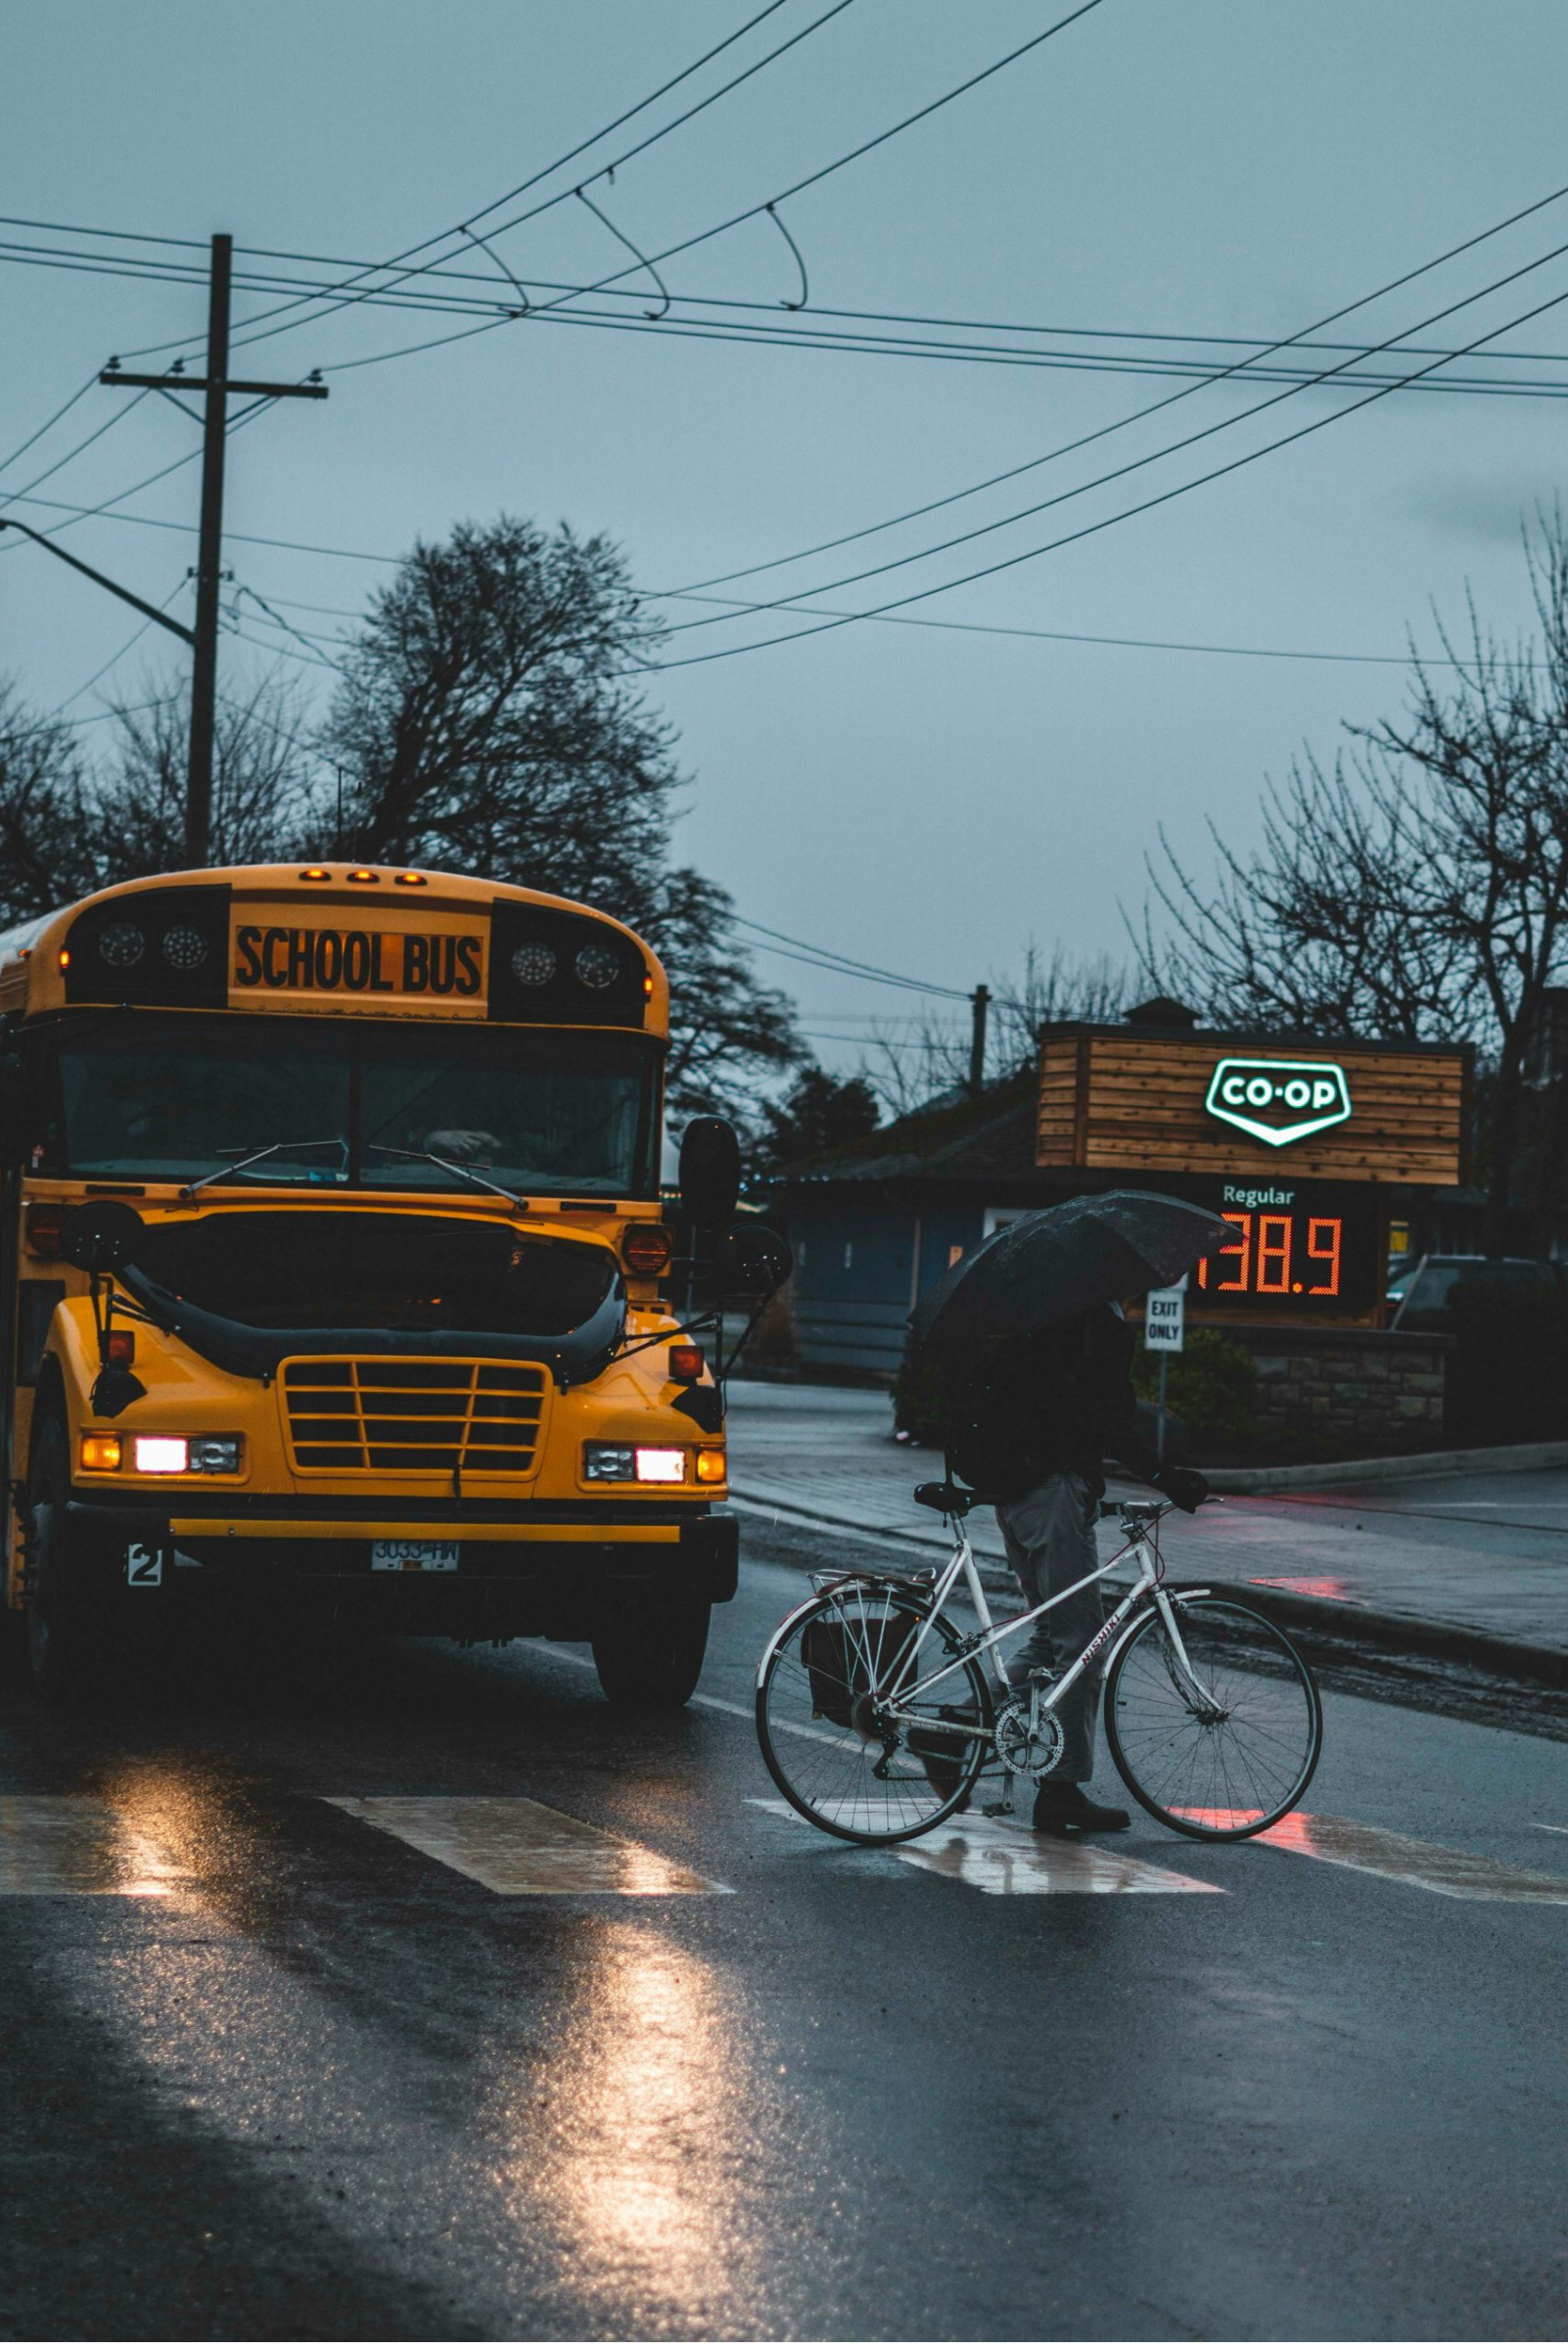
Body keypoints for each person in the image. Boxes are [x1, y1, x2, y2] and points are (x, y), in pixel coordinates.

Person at [949, 1302, 1208, 1836]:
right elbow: (1106, 1419)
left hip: (1015, 1496)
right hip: (1054, 1495)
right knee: (1082, 1645)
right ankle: (1061, 1791)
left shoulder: (1037, 1323)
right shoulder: (1095, 1328)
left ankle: (956, 1727)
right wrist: (1165, 1477)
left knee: (1051, 1638)